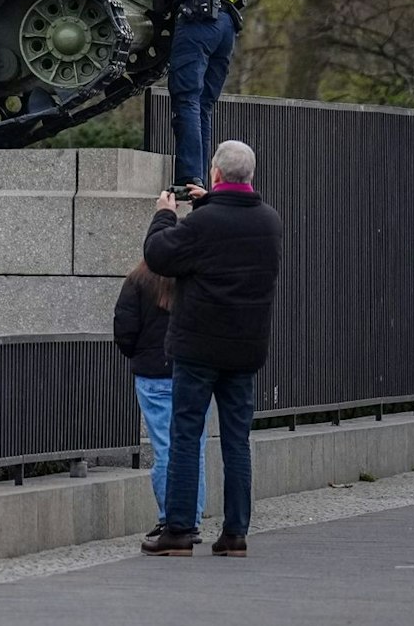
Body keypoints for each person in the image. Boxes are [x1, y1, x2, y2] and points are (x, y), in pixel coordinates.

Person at [139, 140, 283, 558]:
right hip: (245, 348)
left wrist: (165, 214)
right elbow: (226, 239)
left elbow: (160, 256)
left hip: (198, 347)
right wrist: (209, 205)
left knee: (186, 435)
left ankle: (179, 531)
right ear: (249, 176)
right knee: (236, 441)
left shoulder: (203, 225)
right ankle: (235, 533)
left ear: (216, 174)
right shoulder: (269, 221)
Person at [98, 0, 242, 188]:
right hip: (225, 27)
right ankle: (199, 179)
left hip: (197, 22)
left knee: (186, 100)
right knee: (202, 104)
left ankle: (189, 177)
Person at [113, 260, 206, 538]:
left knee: (166, 448)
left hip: (152, 374)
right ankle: (191, 518)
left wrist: (140, 355)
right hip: (192, 372)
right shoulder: (195, 278)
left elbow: (124, 329)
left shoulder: (136, 280)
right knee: (194, 447)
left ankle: (171, 518)